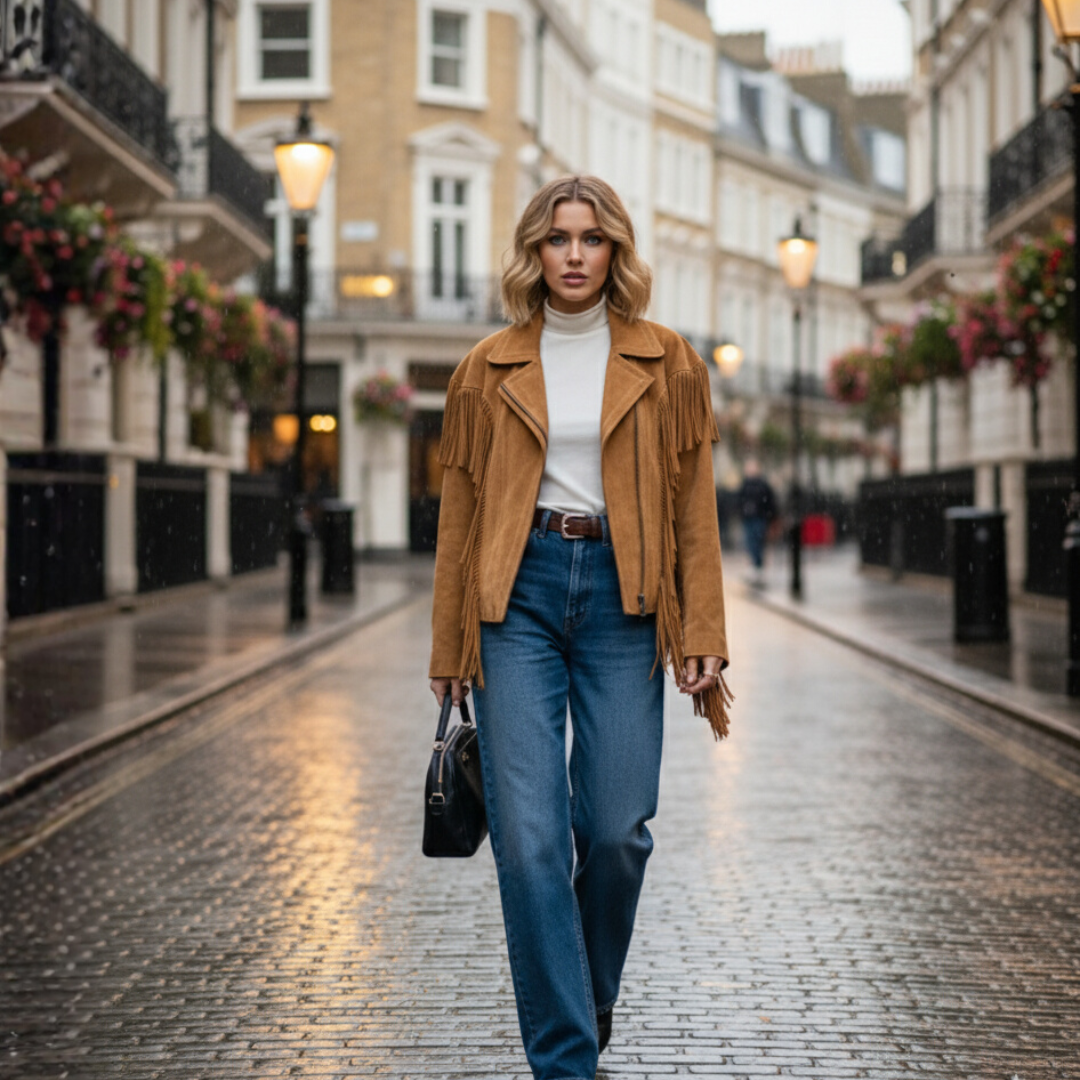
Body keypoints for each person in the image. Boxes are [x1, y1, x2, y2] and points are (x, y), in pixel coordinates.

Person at [428, 175, 731, 1080]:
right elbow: (459, 515)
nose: (572, 254)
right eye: (557, 238)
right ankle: (567, 1059)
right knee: (526, 841)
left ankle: (582, 998)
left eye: (591, 239)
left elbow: (694, 510)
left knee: (613, 830)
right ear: (534, 251)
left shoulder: (667, 361)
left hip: (624, 600)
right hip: (513, 598)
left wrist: (703, 630)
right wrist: (450, 646)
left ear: (615, 253)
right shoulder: (486, 367)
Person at [737, 458, 777, 585]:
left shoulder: (762, 485)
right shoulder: (745, 484)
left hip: (759, 518)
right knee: (750, 543)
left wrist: (770, 517)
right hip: (748, 518)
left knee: (758, 543)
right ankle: (754, 569)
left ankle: (758, 569)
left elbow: (770, 502)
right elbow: (739, 500)